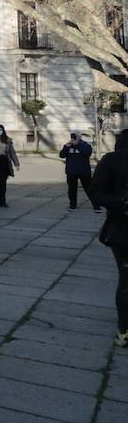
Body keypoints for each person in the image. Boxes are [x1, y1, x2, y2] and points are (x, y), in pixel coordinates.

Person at [89, 129, 128, 348]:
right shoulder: (113, 161)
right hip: (122, 229)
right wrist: (122, 201)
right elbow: (96, 193)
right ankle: (124, 327)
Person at [61, 132, 98, 211]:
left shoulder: (85, 145)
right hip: (71, 171)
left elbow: (87, 153)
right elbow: (61, 155)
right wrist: (66, 146)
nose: (73, 137)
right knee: (72, 189)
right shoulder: (68, 145)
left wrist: (77, 144)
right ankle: (73, 205)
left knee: (89, 189)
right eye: (72, 136)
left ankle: (96, 205)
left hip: (83, 171)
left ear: (79, 137)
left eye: (75, 136)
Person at [0, 124, 19, 208]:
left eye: (0, 130)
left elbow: (12, 153)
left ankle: (0, 200)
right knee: (0, 181)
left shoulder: (7, 140)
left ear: (3, 131)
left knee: (3, 182)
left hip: (5, 162)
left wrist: (16, 164)